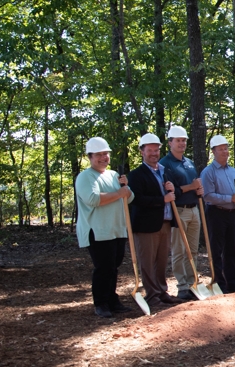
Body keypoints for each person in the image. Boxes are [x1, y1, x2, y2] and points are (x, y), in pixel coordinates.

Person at [75, 137, 135, 318]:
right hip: (98, 230)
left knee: (113, 266)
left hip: (116, 228)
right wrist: (119, 193)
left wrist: (126, 188)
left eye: (105, 154)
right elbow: (92, 199)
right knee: (103, 267)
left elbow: (129, 199)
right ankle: (100, 303)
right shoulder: (85, 176)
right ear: (90, 157)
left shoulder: (112, 175)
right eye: (98, 155)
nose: (103, 158)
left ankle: (112, 300)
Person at [127, 133, 178, 305]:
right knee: (148, 261)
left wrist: (172, 189)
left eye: (156, 150)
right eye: (150, 150)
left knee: (162, 260)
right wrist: (162, 200)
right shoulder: (136, 175)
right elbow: (137, 199)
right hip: (146, 224)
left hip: (165, 222)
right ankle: (152, 294)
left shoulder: (165, 172)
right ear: (142, 152)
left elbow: (172, 194)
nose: (154, 154)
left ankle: (162, 291)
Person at [160, 125, 203, 300]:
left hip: (194, 209)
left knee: (192, 250)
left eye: (184, 140)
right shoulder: (165, 164)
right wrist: (191, 187)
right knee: (179, 250)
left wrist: (198, 190)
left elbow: (194, 186)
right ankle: (182, 286)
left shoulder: (189, 162)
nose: (181, 143)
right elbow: (170, 192)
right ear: (170, 142)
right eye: (178, 140)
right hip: (178, 211)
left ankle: (192, 282)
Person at [199, 135, 235, 293]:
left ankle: (232, 283)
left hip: (232, 214)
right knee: (216, 249)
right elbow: (208, 195)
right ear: (213, 151)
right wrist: (230, 198)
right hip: (216, 213)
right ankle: (219, 283)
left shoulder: (233, 171)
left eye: (226, 148)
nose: (224, 152)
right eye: (220, 149)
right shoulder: (208, 172)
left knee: (231, 250)